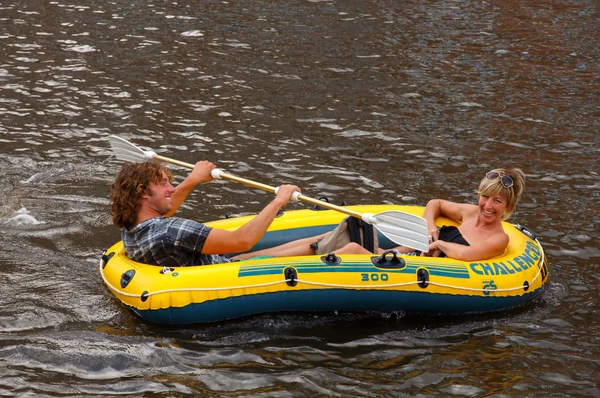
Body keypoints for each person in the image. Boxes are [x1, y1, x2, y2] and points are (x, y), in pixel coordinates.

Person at [234, 168, 526, 262]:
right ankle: (241, 258)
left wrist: (439, 244)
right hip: (395, 251)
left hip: (409, 266)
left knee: (347, 247)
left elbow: (467, 255)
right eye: (485, 197)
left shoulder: (498, 239)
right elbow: (434, 203)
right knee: (335, 231)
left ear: (508, 206)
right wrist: (429, 229)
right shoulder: (469, 211)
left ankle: (250, 265)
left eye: (497, 201)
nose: (488, 206)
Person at [111, 159, 301, 267]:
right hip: (225, 275)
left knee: (307, 245)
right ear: (143, 192)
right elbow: (243, 240)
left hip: (220, 263)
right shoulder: (173, 231)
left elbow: (161, 212)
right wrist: (279, 200)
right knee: (319, 250)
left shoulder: (132, 229)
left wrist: (193, 179)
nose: (171, 188)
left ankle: (328, 240)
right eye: (163, 184)